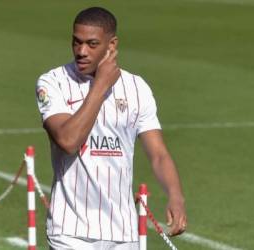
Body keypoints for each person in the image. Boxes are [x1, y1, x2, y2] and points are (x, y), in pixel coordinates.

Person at [36, 6, 187, 250]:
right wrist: (101, 85)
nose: (81, 51)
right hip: (70, 232)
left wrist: (176, 195)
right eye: (76, 42)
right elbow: (67, 140)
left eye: (92, 44)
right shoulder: (52, 82)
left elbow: (158, 153)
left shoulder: (137, 88)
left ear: (112, 45)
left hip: (123, 231)